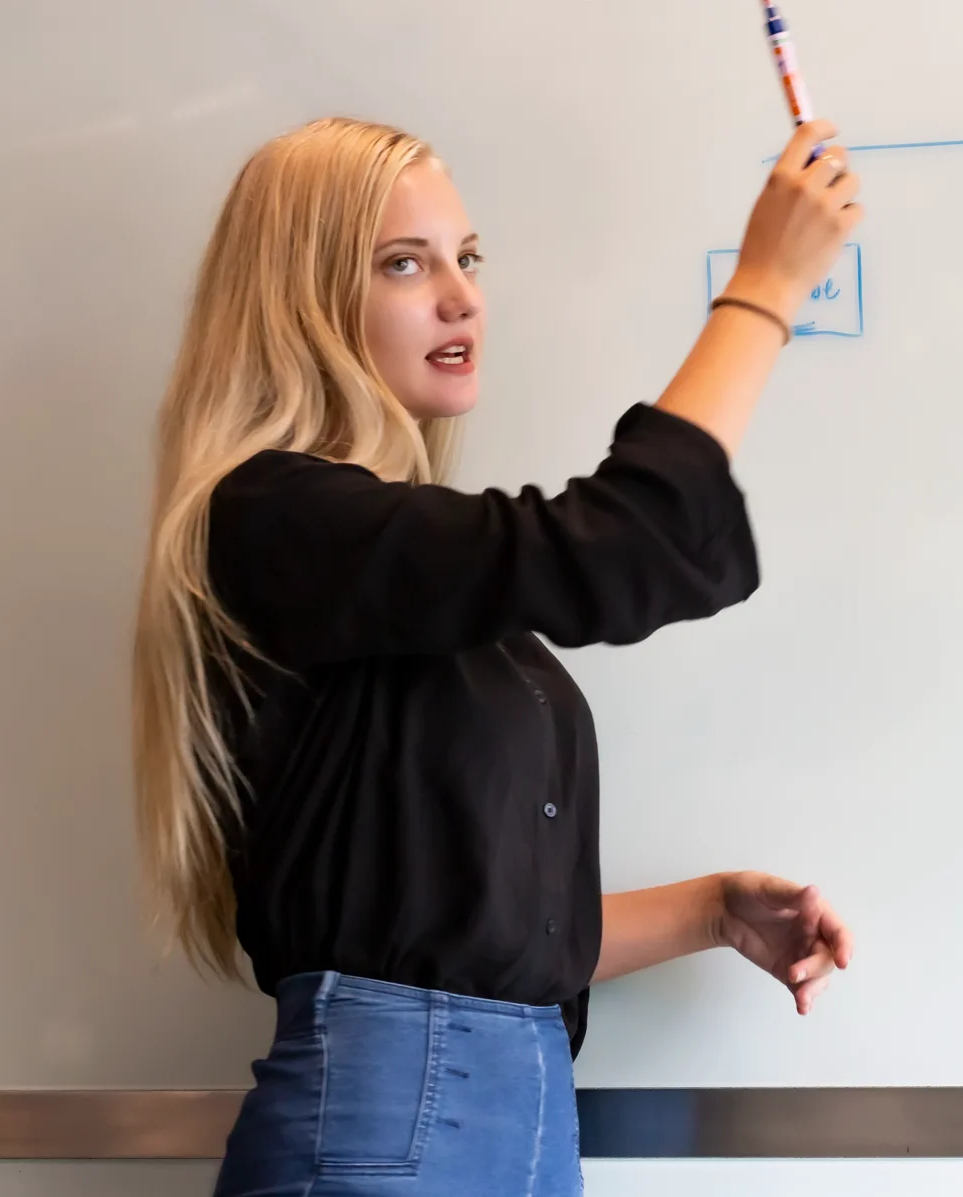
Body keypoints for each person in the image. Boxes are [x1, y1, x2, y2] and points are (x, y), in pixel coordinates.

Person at [128, 115, 862, 1194]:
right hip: (390, 1124)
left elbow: (477, 934)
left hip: (516, 1132)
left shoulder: (403, 589)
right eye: (403, 263)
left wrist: (710, 910)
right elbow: (628, 543)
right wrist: (763, 289)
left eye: (466, 258)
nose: (461, 297)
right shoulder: (276, 520)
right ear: (300, 301)